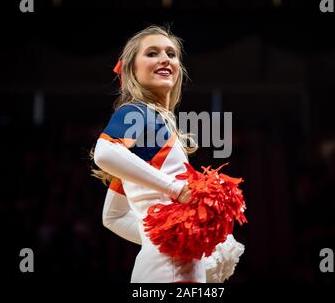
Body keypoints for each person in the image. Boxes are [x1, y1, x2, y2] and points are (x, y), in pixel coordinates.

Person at [91, 25, 244, 283]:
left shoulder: (154, 131)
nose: (165, 59)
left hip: (165, 269)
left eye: (171, 54)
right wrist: (176, 189)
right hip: (168, 274)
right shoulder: (137, 113)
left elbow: (113, 216)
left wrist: (184, 237)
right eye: (152, 53)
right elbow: (105, 153)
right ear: (131, 70)